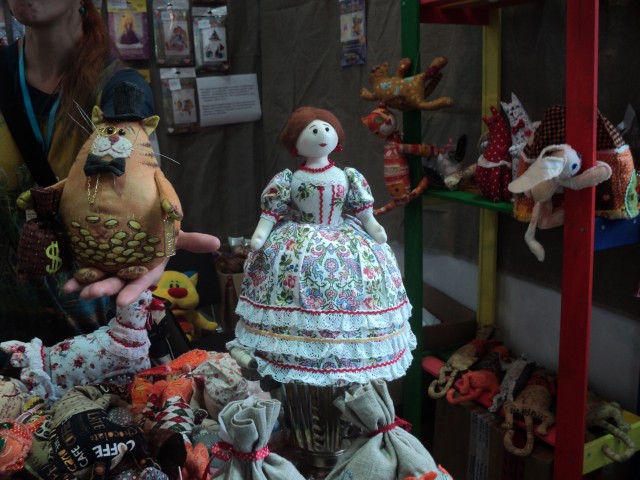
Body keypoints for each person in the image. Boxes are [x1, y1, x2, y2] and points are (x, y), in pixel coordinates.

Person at [0, 0, 219, 344]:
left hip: (99, 329)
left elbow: (140, 171)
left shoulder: (118, 86)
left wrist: (156, 238)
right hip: (6, 327)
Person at [228, 106, 416, 387]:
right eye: (313, 130)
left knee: (356, 287)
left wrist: (373, 226)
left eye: (327, 128)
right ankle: (297, 355)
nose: (321, 134)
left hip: (345, 237)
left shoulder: (347, 176)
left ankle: (344, 354)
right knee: (295, 290)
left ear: (336, 136)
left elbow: (364, 212)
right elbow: (271, 212)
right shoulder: (289, 179)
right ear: (296, 140)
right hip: (299, 240)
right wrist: (261, 233)